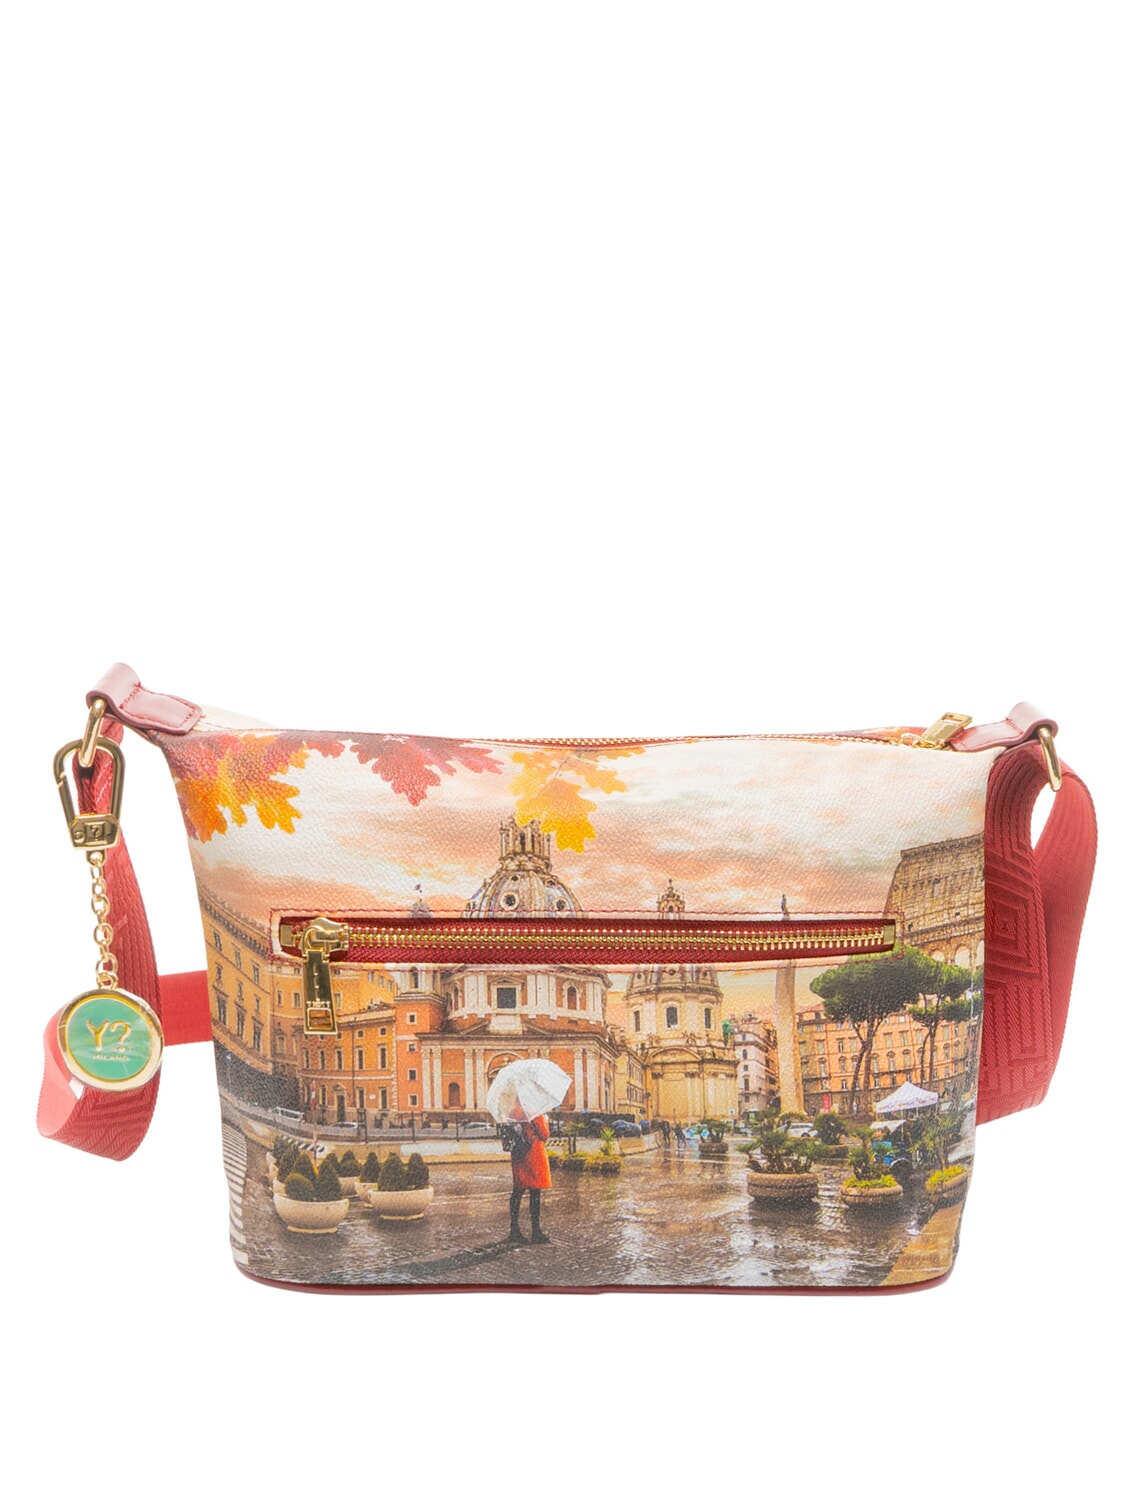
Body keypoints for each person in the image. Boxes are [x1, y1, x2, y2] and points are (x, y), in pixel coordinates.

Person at [507, 1105, 551, 1245]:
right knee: (535, 1194)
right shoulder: (534, 1111)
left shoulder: (513, 1111)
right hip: (533, 1156)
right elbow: (544, 1134)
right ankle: (536, 1232)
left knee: (517, 1193)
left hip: (519, 1154)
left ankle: (514, 1229)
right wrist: (545, 1120)